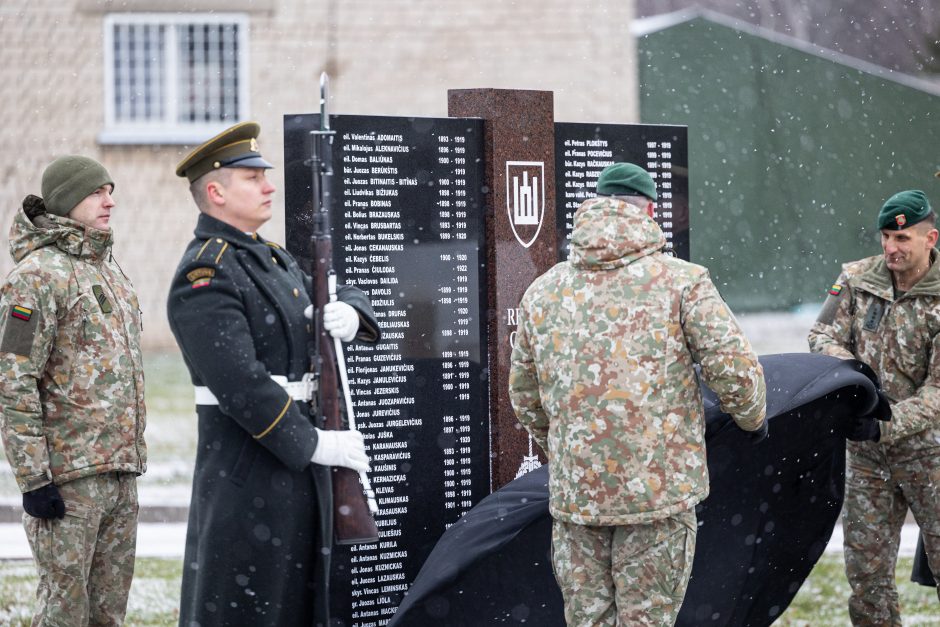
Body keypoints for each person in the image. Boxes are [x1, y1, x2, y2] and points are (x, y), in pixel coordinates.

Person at [508, 162, 767, 626]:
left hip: (577, 500)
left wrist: (571, 454)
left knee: (588, 620)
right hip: (657, 498)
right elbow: (736, 372)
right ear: (650, 210)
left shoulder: (542, 291)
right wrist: (753, 420)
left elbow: (525, 396)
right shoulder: (683, 282)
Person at [167, 121, 380, 627]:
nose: (270, 186)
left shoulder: (271, 259)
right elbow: (241, 386)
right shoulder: (208, 272)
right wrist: (312, 444)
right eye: (253, 178)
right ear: (216, 192)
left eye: (266, 175)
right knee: (249, 603)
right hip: (250, 470)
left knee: (299, 605)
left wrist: (352, 313)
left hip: (295, 468)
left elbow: (337, 289)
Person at [0, 156, 147, 625]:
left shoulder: (110, 271)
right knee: (65, 612)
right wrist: (34, 479)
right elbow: (12, 376)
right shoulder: (36, 277)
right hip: (68, 481)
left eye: (110, 189)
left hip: (119, 473)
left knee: (109, 613)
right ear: (66, 202)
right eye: (96, 193)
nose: (110, 201)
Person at [808, 189, 940, 625]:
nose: (890, 248)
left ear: (930, 239)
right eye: (885, 237)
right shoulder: (856, 279)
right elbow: (821, 336)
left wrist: (884, 423)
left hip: (930, 457)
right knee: (866, 576)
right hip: (867, 460)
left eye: (902, 240)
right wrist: (852, 378)